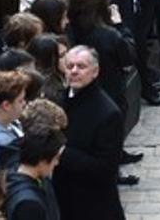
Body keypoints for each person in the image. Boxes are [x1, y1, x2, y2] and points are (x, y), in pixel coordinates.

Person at [52, 46, 125, 220]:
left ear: (95, 71)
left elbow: (106, 168)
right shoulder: (59, 99)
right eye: (70, 66)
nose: (74, 71)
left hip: (92, 206)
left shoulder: (108, 113)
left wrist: (62, 152)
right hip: (62, 199)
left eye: (81, 66)